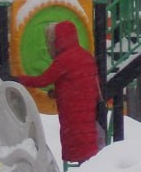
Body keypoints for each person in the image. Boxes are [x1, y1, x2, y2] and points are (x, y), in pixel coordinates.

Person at [15, 21, 103, 164]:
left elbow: (43, 80)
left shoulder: (64, 60)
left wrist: (19, 79)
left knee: (78, 142)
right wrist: (58, 92)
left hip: (72, 111)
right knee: (87, 144)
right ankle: (88, 168)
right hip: (88, 109)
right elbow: (81, 83)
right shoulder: (85, 56)